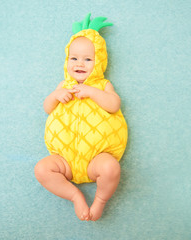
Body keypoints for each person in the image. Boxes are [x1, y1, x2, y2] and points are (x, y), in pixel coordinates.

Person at [34, 14, 128, 221]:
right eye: (74, 58)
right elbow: (47, 108)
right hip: (64, 160)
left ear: (99, 62)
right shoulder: (63, 86)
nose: (80, 63)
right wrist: (55, 96)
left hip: (96, 158)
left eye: (88, 59)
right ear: (67, 60)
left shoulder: (103, 86)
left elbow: (114, 105)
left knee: (111, 168)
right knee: (41, 169)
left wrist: (92, 92)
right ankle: (75, 196)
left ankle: (100, 200)